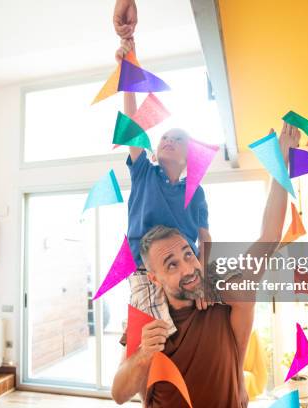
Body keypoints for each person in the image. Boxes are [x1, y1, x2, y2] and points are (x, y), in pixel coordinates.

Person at [111, 125, 302, 407]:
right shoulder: (147, 321)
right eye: (171, 264)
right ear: (153, 278)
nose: (187, 268)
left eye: (188, 254)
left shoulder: (222, 295)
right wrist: (143, 354)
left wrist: (282, 163)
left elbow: (270, 237)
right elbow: (118, 394)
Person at [115, 39, 213, 337]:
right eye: (165, 137)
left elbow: (205, 237)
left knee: (197, 329)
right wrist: (127, 69)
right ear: (155, 152)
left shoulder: (195, 192)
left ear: (189, 158)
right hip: (145, 272)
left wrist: (205, 277)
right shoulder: (145, 172)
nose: (169, 140)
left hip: (186, 272)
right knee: (150, 340)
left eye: (178, 139)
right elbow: (132, 126)